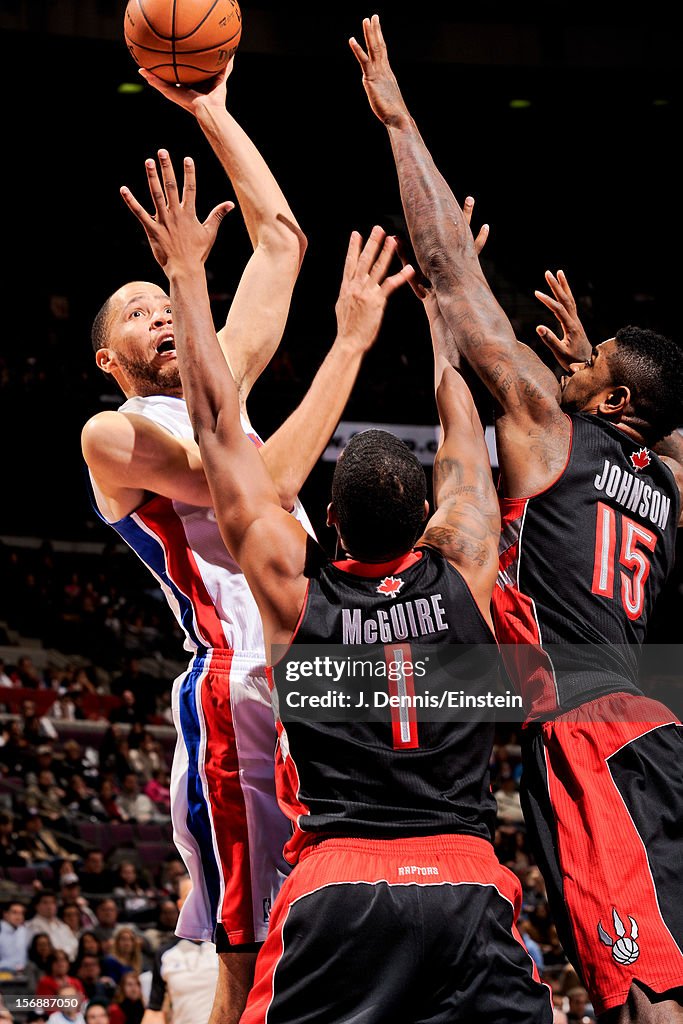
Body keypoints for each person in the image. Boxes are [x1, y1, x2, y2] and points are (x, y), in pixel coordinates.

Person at [121, 148, 552, 1024]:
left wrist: (188, 275)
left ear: (327, 527)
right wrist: (443, 313)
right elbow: (463, 444)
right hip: (466, 875)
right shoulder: (465, 575)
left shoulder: (294, 598)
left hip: (338, 882)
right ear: (429, 521)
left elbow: (218, 428)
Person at [349, 15, 683, 1022]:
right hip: (651, 729)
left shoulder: (550, 429)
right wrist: (611, 380)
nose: (565, 363)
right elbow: (663, 427)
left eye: (584, 365)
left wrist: (401, 122)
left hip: (583, 734)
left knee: (637, 992)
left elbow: (451, 269)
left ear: (613, 405)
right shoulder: (664, 485)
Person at [81, 55, 396, 1024]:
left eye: (167, 298)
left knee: (340, 922)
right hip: (241, 686)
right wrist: (346, 345)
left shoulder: (225, 396)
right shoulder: (115, 433)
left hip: (322, 667)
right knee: (245, 949)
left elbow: (279, 238)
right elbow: (264, 487)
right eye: (139, 310)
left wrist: (212, 110)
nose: (163, 310)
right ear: (109, 357)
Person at [142, 875, 219, 1024]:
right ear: (180, 904)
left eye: (202, 895)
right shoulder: (166, 954)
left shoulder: (227, 947)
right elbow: (155, 1010)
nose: (197, 903)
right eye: (190, 897)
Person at [0, 900, 28, 975]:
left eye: (21, 913)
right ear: (5, 914)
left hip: (23, 972)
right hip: (3, 971)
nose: (19, 916)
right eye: (14, 912)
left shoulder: (24, 931)